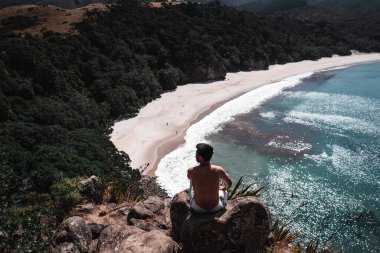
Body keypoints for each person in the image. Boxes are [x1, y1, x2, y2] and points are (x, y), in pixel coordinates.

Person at [187, 143, 232, 213]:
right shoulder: (218, 170)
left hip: (198, 208)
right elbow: (229, 183)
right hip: (216, 208)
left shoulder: (191, 171)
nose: (195, 156)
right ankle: (224, 204)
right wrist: (224, 188)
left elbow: (189, 178)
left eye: (196, 154)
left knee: (191, 184)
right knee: (224, 191)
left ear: (201, 158)